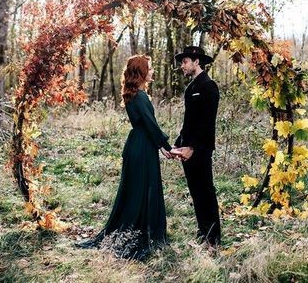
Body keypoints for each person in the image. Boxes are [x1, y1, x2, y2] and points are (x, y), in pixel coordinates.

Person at [78, 55, 173, 260]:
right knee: (142, 188)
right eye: (149, 68)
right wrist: (165, 146)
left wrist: (160, 145)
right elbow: (150, 125)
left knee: (136, 188)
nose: (152, 71)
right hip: (143, 146)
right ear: (140, 72)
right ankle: (139, 230)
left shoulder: (134, 95)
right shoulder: (140, 97)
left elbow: (148, 125)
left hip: (138, 144)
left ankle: (136, 226)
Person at [171, 46, 221, 246]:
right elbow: (189, 122)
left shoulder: (209, 86)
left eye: (185, 61)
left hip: (200, 150)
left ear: (197, 61)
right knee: (196, 193)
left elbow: (207, 123)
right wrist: (178, 143)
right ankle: (203, 234)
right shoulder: (190, 87)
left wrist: (193, 148)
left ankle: (213, 239)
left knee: (205, 192)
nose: (182, 66)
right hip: (187, 150)